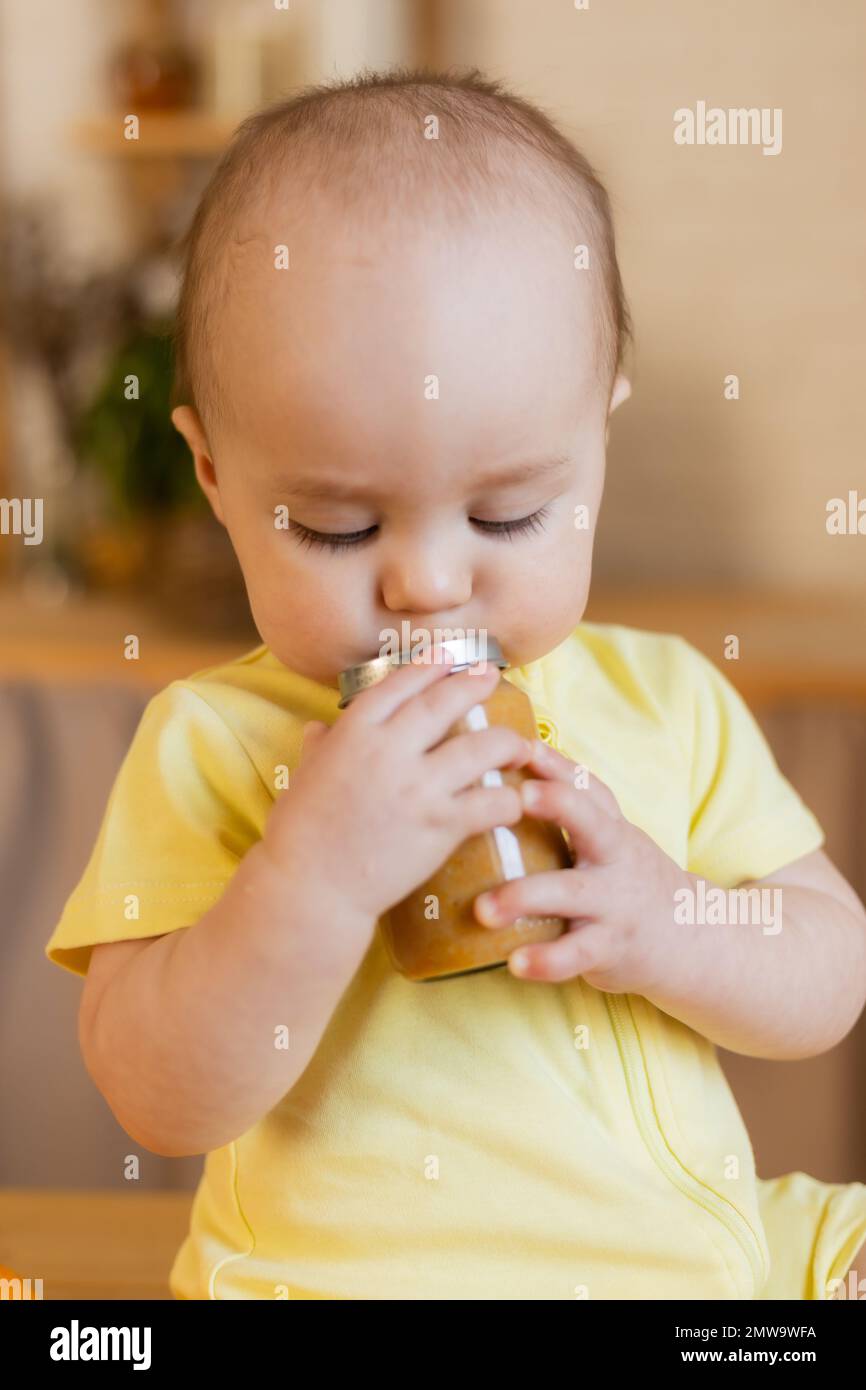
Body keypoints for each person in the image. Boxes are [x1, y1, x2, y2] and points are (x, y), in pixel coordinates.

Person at [46, 68, 866, 1300]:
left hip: (693, 1273)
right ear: (213, 474)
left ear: (599, 432)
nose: (428, 585)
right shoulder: (216, 742)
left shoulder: (669, 699)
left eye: (508, 512)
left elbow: (827, 976)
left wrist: (671, 922)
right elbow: (156, 1094)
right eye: (333, 527)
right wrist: (309, 880)